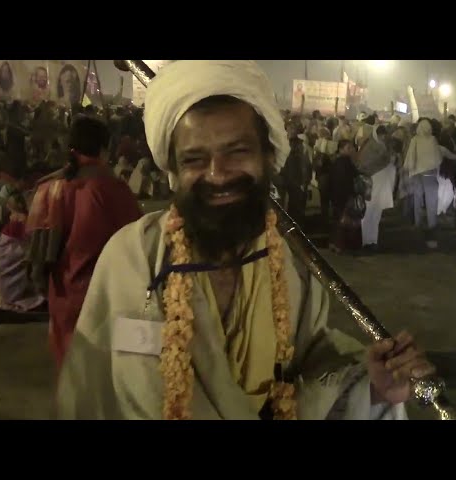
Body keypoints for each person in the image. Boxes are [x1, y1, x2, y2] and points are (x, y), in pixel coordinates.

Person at [56, 60, 435, 420]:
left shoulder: (294, 269)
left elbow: (313, 365)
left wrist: (372, 388)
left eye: (237, 152)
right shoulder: (131, 259)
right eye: (194, 159)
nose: (217, 174)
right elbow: (90, 395)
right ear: (173, 171)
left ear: (268, 156)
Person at [26, 115, 142, 369]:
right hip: (103, 298)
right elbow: (137, 241)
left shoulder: (49, 187)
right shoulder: (112, 188)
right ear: (104, 148)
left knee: (69, 373)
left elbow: (34, 246)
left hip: (61, 295)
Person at [403, 118, 443, 248]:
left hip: (417, 174)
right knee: (431, 202)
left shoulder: (415, 139)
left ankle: (417, 223)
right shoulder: (433, 140)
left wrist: (410, 170)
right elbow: (438, 159)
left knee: (417, 199)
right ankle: (432, 225)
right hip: (429, 175)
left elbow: (410, 157)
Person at [358, 125, 394, 250]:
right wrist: (384, 160)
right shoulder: (370, 147)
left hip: (381, 185)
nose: (383, 138)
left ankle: (373, 240)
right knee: (368, 212)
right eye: (381, 136)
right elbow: (365, 164)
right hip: (371, 184)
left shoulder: (383, 146)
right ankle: (365, 240)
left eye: (384, 136)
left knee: (377, 213)